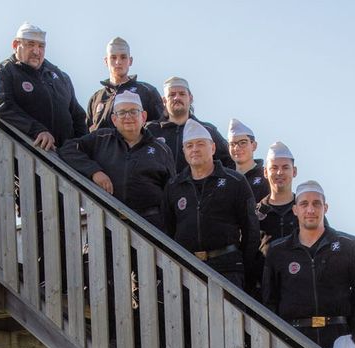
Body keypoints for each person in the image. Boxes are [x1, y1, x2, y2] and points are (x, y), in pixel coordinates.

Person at [261, 181, 355, 348]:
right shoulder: (278, 251)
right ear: (295, 210)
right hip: (294, 342)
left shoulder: (348, 245)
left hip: (340, 340)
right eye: (304, 204)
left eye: (316, 204)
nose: (310, 210)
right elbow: (269, 301)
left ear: (326, 208)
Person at [161, 119, 260, 290]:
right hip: (186, 269)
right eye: (189, 145)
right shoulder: (174, 186)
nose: (195, 149)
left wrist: (240, 265)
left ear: (213, 148)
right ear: (184, 151)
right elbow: (168, 230)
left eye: (200, 144)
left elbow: (251, 230)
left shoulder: (235, 182)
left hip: (227, 270)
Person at [59, 91, 175, 229]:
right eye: (122, 113)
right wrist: (94, 171)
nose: (128, 117)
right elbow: (68, 149)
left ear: (143, 117)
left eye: (133, 112)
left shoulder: (161, 149)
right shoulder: (101, 139)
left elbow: (171, 192)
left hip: (150, 228)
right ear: (114, 119)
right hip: (106, 226)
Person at [0, 21, 87, 150]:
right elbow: (3, 106)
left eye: (41, 46)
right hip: (25, 154)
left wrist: (82, 147)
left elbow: (78, 116)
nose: (36, 51)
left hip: (65, 156)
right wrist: (37, 130)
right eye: (30, 44)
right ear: (15, 45)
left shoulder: (60, 76)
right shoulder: (3, 71)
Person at [145, 76, 231, 172]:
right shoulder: (150, 130)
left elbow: (229, 162)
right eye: (172, 95)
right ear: (164, 101)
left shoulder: (207, 130)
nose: (177, 98)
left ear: (190, 98)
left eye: (182, 94)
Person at [84, 37, 165, 132]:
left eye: (123, 57)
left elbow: (162, 128)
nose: (118, 62)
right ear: (106, 61)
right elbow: (86, 133)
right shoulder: (96, 98)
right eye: (113, 57)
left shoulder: (147, 92)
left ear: (130, 61)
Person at [255, 141, 299, 254]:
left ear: (294, 171)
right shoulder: (256, 214)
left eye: (285, 167)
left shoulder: (305, 210)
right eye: (274, 168)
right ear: (265, 172)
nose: (279, 172)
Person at [226, 119, 269, 204]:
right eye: (232, 144)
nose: (236, 148)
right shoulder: (224, 177)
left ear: (254, 145)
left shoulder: (266, 177)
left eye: (243, 143)